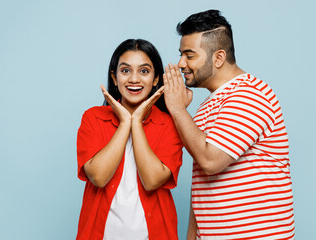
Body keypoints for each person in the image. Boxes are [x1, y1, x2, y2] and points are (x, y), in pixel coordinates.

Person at [163, 10, 295, 240]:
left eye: (189, 55)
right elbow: (203, 182)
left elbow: (210, 160)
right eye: (181, 54)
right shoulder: (209, 105)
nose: (181, 63)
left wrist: (176, 108)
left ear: (219, 57)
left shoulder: (249, 94)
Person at [76, 39, 183, 240]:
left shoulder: (169, 124)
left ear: (155, 79)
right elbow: (98, 177)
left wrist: (137, 122)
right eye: (125, 71)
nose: (134, 79)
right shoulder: (93, 118)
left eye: (144, 71)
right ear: (114, 78)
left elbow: (151, 181)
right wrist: (126, 122)